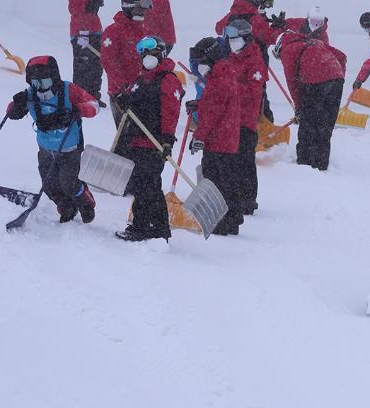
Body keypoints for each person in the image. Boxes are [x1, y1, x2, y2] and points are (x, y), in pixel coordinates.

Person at [5, 56, 99, 223]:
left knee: (69, 183)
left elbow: (94, 105)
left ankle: (85, 203)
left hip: (69, 148)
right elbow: (12, 111)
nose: (41, 88)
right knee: (49, 186)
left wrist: (76, 110)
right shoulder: (31, 94)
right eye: (36, 83)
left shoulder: (68, 90)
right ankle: (66, 207)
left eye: (45, 82)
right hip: (46, 148)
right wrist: (15, 107)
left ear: (54, 78)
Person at [113, 36, 184, 241]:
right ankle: (153, 227)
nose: (147, 57)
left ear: (161, 54)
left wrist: (167, 139)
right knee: (144, 186)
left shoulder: (168, 80)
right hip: (135, 140)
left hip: (153, 143)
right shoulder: (141, 78)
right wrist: (123, 101)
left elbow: (171, 111)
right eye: (143, 53)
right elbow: (132, 102)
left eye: (151, 53)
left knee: (147, 186)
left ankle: (145, 227)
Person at [188, 36, 243, 236]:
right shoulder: (224, 74)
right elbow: (214, 106)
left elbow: (212, 114)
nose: (200, 66)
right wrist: (199, 105)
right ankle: (234, 216)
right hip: (227, 138)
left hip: (218, 140)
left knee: (216, 181)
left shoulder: (219, 80)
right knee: (227, 179)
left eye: (202, 61)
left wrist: (199, 136)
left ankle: (223, 221)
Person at [277, 13, 347, 170]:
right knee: (325, 125)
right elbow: (342, 57)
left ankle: (305, 164)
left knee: (308, 124)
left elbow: (292, 82)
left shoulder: (288, 50)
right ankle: (321, 163)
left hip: (316, 80)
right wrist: (335, 79)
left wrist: (299, 107)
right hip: (336, 78)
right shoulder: (312, 42)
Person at [216, 0, 287, 123]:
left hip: (231, 61)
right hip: (255, 61)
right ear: (256, 2)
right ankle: (264, 123)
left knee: (234, 91)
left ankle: (233, 120)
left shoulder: (231, 15)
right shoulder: (255, 19)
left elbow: (218, 28)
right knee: (257, 93)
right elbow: (269, 37)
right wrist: (278, 27)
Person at [227, 19, 266, 216]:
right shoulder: (231, 57)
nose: (231, 42)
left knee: (244, 159)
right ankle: (233, 195)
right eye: (229, 38)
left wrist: (228, 88)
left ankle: (248, 199)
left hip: (245, 121)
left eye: (235, 38)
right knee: (231, 160)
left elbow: (253, 91)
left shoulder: (254, 60)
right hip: (229, 119)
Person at [101, 0, 152, 127]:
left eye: (145, 8)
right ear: (129, 7)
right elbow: (109, 61)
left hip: (142, 90)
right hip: (122, 93)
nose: (144, 11)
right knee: (126, 134)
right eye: (139, 8)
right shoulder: (113, 31)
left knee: (144, 134)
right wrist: (123, 88)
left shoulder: (143, 30)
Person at [66, 0, 105, 105]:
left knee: (95, 65)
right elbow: (77, 12)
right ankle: (81, 97)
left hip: (94, 31)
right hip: (83, 35)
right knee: (83, 67)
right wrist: (83, 34)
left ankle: (93, 94)